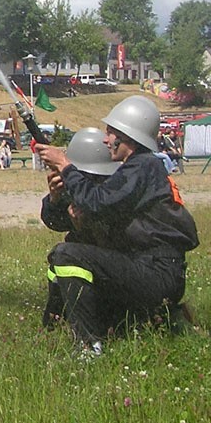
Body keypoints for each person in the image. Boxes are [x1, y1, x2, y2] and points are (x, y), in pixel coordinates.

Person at [37, 95, 199, 356]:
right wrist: (57, 199)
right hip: (146, 269)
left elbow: (98, 202)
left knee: (67, 255)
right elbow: (58, 221)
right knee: (68, 253)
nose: (106, 139)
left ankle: (89, 347)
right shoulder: (136, 170)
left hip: (156, 271)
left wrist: (65, 166)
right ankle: (54, 329)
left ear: (129, 136)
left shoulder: (143, 166)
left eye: (111, 132)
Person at [40, 127, 121, 330]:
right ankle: (55, 323)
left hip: (115, 276)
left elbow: (114, 244)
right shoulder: (75, 189)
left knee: (68, 257)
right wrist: (54, 199)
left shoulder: (114, 194)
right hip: (85, 265)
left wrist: (85, 227)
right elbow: (54, 222)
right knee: (58, 263)